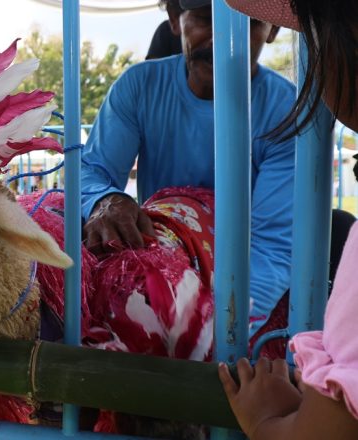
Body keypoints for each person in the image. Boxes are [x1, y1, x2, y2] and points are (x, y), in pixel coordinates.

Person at [82, 0, 296, 342]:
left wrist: (219, 331)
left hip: (247, 292)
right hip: (157, 270)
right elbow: (91, 171)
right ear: (174, 20)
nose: (223, 39)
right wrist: (106, 199)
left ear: (273, 30)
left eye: (249, 24)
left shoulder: (287, 111)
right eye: (203, 19)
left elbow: (272, 246)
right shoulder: (138, 88)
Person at [216, 1, 358, 438]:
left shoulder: (279, 104)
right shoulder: (137, 88)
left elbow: (326, 433)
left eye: (311, 37)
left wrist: (265, 422)